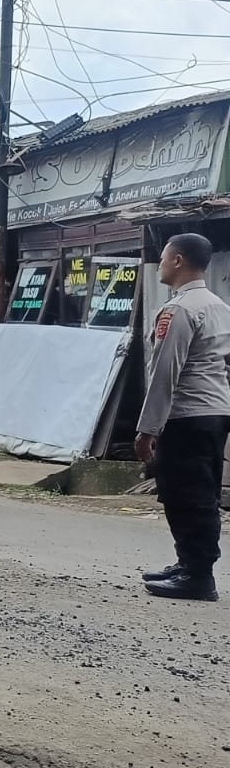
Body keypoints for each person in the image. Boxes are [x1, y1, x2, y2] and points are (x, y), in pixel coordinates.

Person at [135, 233, 230, 602]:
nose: (160, 264)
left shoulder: (180, 310)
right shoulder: (218, 305)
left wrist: (148, 428)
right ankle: (188, 562)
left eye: (163, 257)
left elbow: (165, 371)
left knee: (186, 493)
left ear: (178, 261)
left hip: (187, 413)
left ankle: (197, 574)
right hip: (214, 411)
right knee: (199, 491)